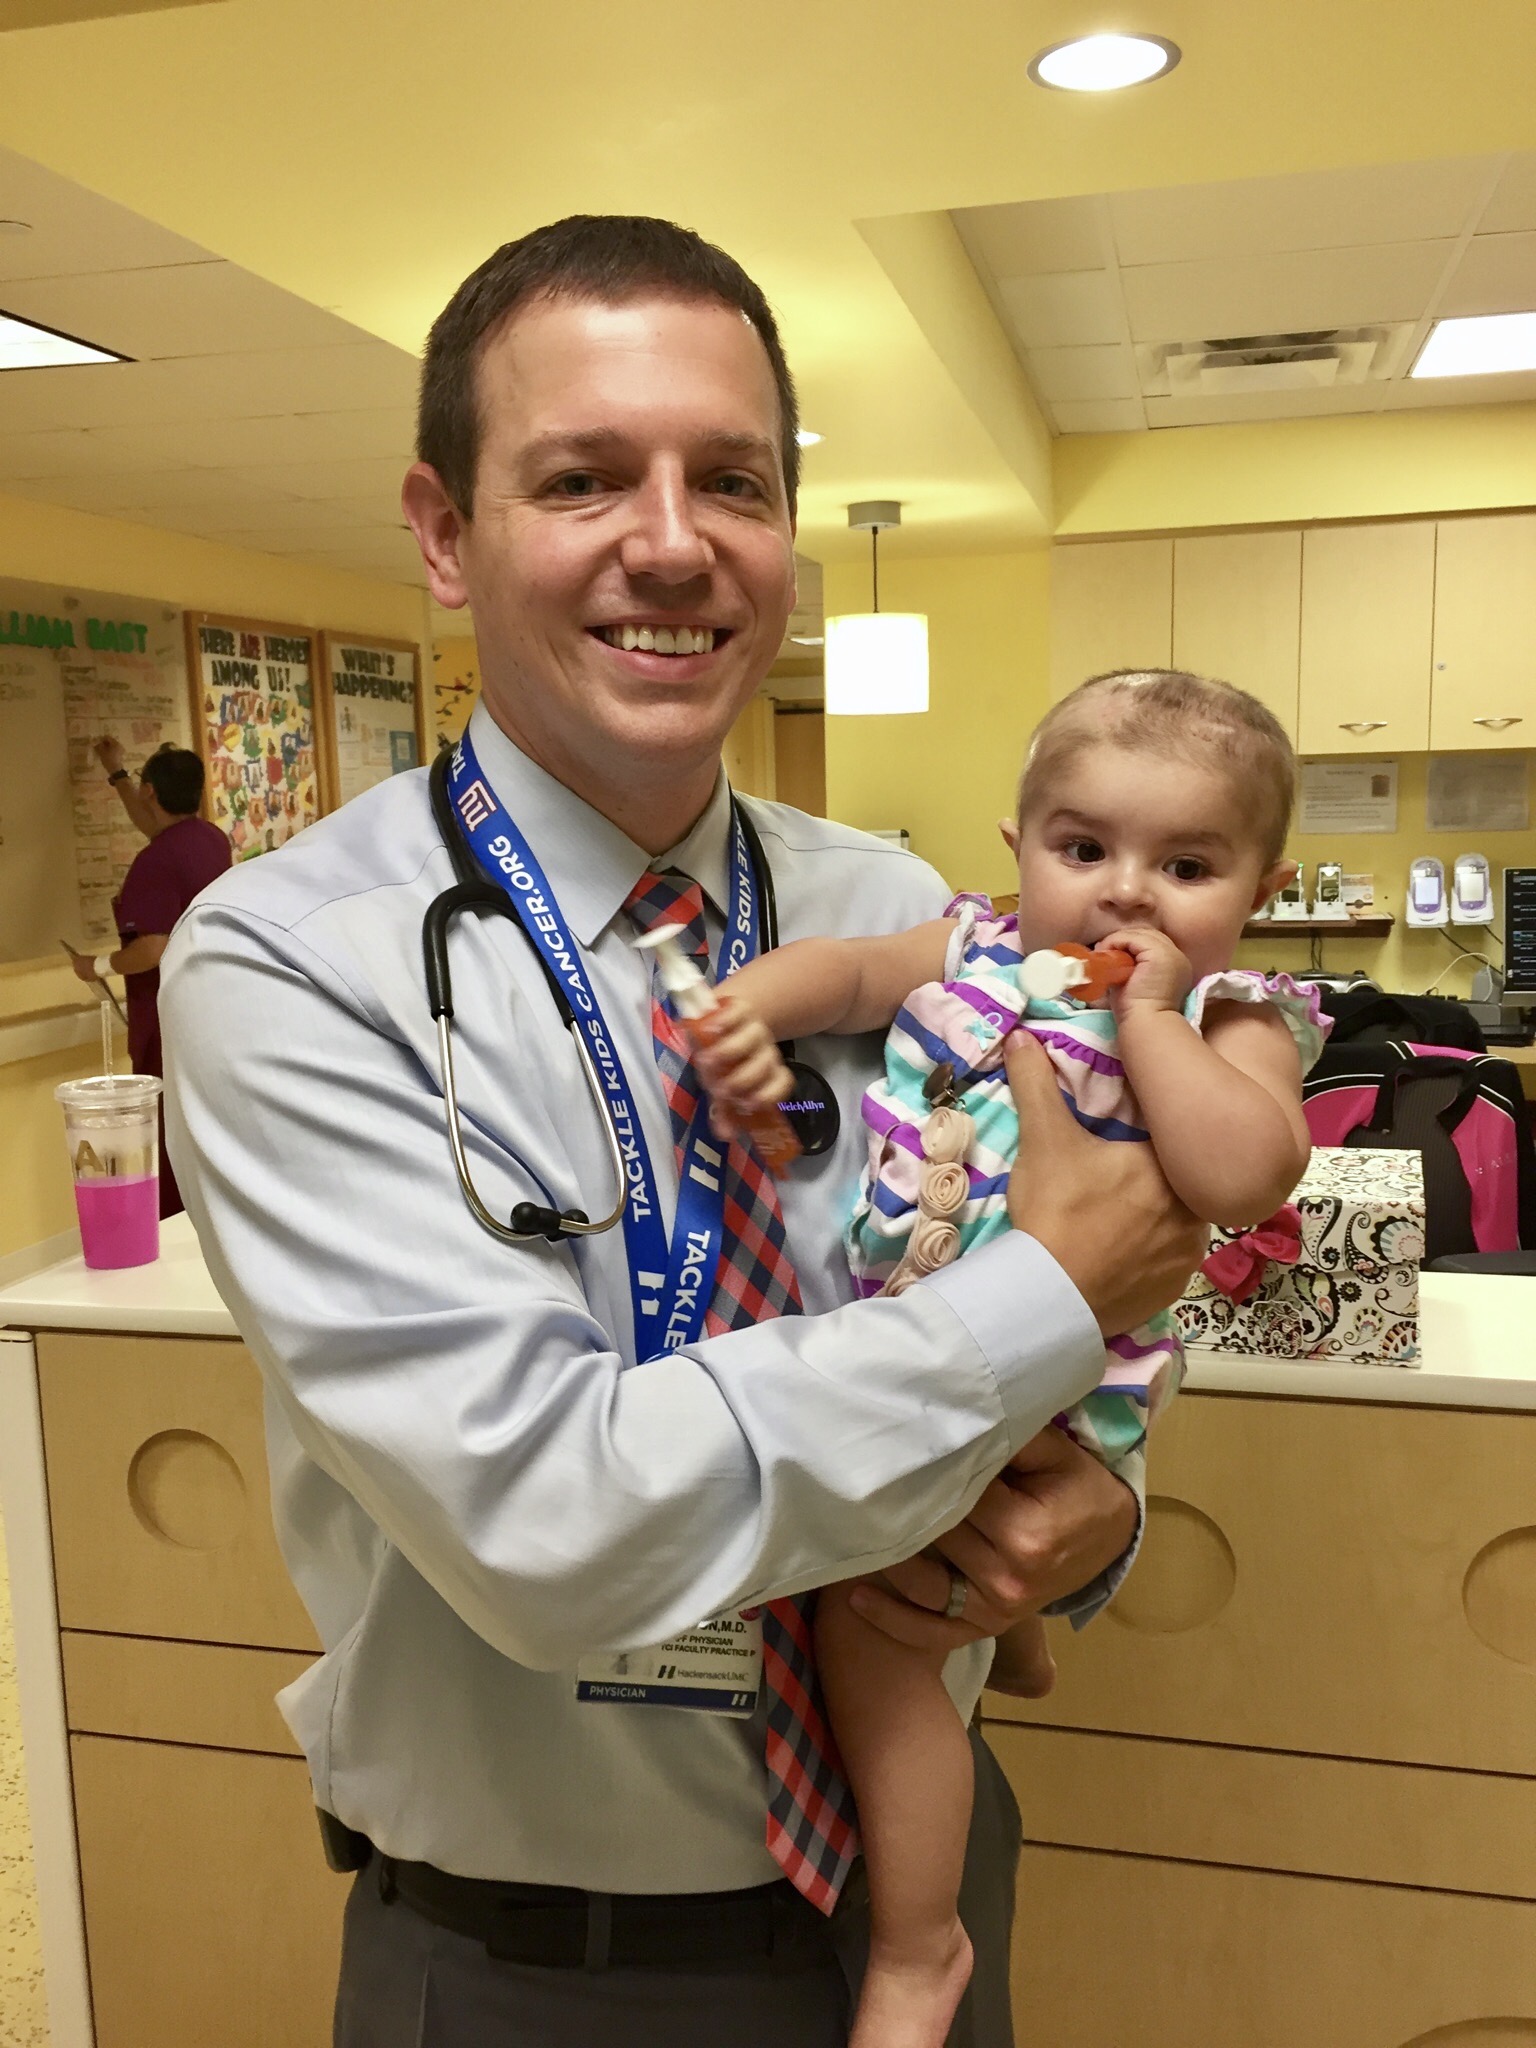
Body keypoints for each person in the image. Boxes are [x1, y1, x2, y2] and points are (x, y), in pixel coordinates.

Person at [159, 216, 1206, 2048]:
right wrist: (1041, 1298)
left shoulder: (897, 910)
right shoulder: (290, 961)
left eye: (731, 477)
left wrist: (1091, 1512)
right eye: (582, 477)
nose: (671, 540)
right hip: (533, 1967)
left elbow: (1099, 1254)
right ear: (440, 530)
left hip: (921, 1893)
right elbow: (552, 1519)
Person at [691, 667, 1326, 2048]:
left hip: (1061, 1378)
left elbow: (1243, 1173)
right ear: (1018, 846)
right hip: (918, 1341)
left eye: (1188, 864)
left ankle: (919, 1951)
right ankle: (1020, 1641)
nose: (1127, 895)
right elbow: (854, 974)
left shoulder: (1237, 1020)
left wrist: (1152, 1019)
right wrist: (754, 1004)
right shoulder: (975, 948)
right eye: (1083, 849)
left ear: (1260, 892)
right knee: (944, 1572)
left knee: (871, 1629)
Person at [72, 738, 230, 1216]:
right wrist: (117, 773)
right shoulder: (209, 840)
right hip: (210, 1009)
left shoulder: (154, 862)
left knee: (166, 1133)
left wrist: (95, 966)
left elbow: (153, 947)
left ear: (150, 792)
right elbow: (156, 827)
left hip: (167, 1019)